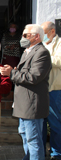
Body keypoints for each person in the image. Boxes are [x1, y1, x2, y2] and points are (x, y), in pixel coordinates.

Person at [0, 24, 52, 160]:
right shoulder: (27, 51)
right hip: (23, 103)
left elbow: (32, 77)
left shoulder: (42, 53)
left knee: (33, 140)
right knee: (24, 134)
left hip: (32, 104)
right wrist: (14, 70)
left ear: (37, 36)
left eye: (25, 35)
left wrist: (11, 73)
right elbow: (24, 73)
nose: (22, 38)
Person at [41, 21, 61, 160]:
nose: (42, 36)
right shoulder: (41, 44)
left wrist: (43, 59)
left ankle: (56, 153)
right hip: (39, 90)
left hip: (54, 89)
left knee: (55, 124)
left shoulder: (59, 44)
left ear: (52, 31)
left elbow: (59, 61)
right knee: (40, 124)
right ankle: (40, 152)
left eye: (44, 32)